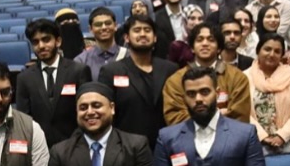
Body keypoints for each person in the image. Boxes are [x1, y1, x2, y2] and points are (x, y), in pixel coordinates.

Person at [99, 14, 179, 149]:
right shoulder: (111, 71)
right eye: (137, 30)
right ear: (126, 38)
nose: (142, 34)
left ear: (155, 37)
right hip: (126, 148)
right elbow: (105, 113)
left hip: (166, 146)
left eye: (147, 30)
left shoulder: (170, 69)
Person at [17, 18, 93, 148]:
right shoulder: (24, 78)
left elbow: (86, 111)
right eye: (35, 42)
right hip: (40, 148)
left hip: (76, 145)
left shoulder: (78, 71)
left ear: (58, 41)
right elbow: (24, 119)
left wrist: (75, 143)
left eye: (46, 40)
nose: (41, 46)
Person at [162, 24, 252, 126]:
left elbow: (240, 117)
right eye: (199, 40)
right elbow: (175, 117)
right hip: (189, 135)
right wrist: (219, 114)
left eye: (211, 40)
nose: (205, 44)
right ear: (192, 48)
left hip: (228, 135)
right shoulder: (175, 80)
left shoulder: (237, 78)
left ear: (219, 48)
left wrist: (198, 117)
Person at [245, 32, 290, 153]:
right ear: (258, 51)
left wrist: (282, 135)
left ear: (282, 55)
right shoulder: (244, 77)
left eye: (277, 51)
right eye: (267, 49)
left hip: (289, 141)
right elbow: (243, 111)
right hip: (254, 141)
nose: (271, 54)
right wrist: (262, 136)